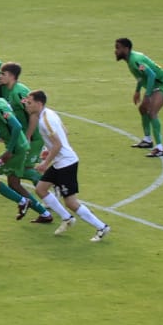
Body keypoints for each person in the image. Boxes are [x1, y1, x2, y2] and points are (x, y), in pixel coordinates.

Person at [25, 91, 111, 241]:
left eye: (30, 102)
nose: (27, 104)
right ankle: (67, 218)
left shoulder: (45, 120)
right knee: (41, 189)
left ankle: (101, 227)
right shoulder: (49, 113)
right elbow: (65, 131)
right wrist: (49, 151)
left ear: (39, 104)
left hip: (66, 163)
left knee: (71, 202)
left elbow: (58, 144)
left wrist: (46, 162)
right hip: (60, 161)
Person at [0, 82, 46, 220]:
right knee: (14, 183)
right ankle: (45, 213)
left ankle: (24, 201)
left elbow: (16, 126)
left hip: (16, 150)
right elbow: (1, 129)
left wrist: (9, 150)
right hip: (18, 148)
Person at [115, 37, 163, 159]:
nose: (115, 51)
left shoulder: (135, 60)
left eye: (118, 48)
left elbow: (151, 75)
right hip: (155, 85)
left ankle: (160, 148)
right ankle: (147, 140)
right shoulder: (130, 60)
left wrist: (147, 96)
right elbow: (141, 77)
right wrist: (137, 91)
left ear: (126, 49)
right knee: (142, 109)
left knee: (152, 112)